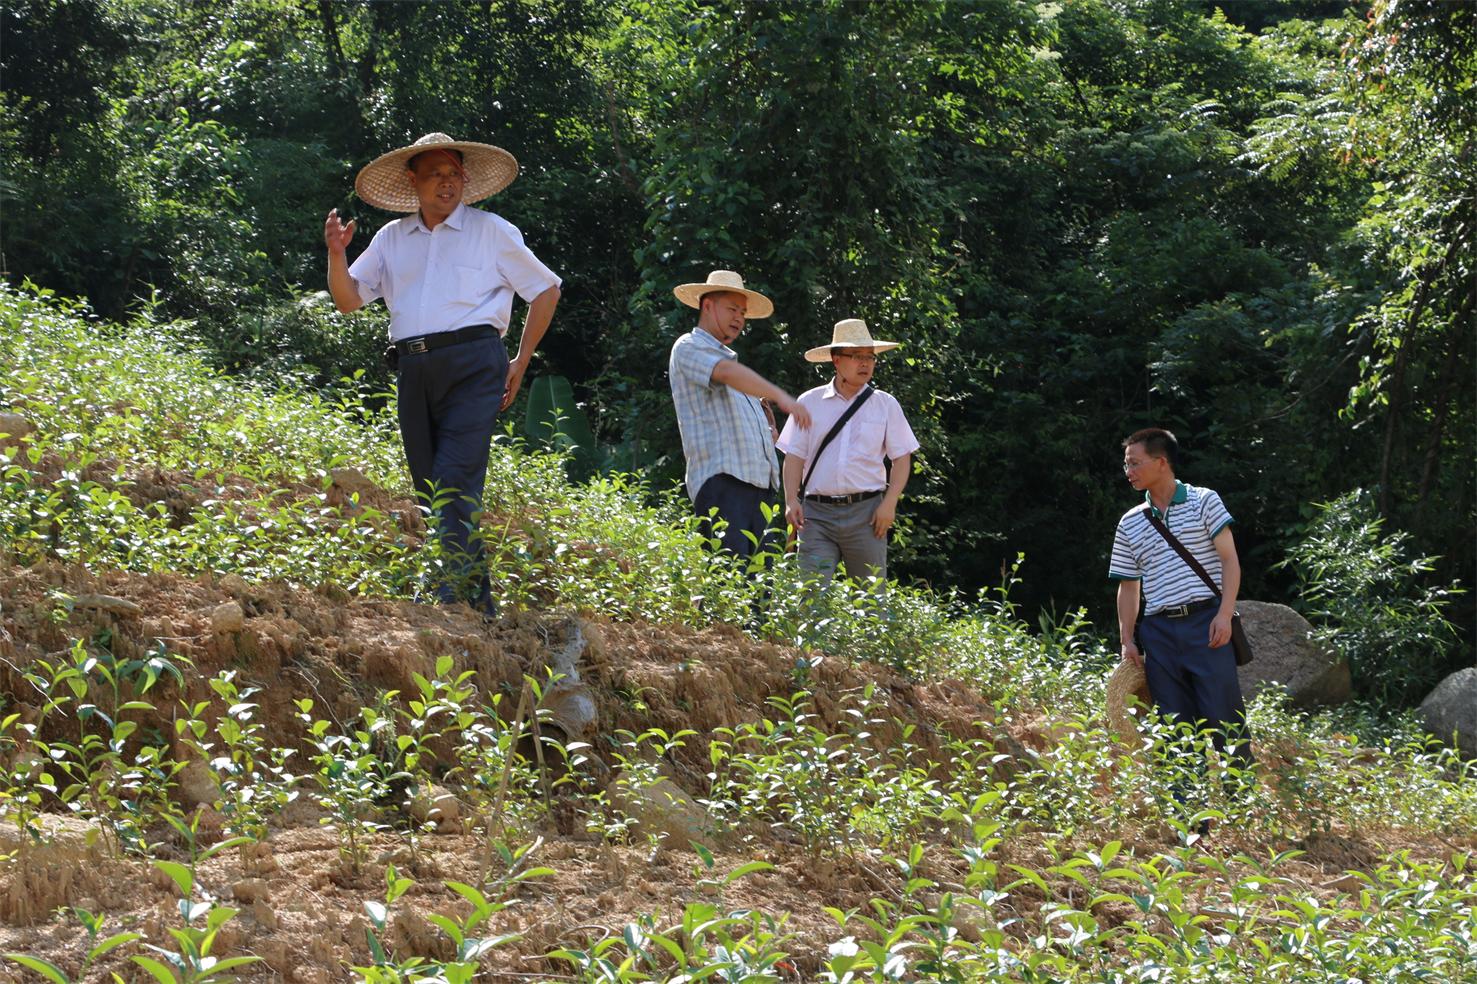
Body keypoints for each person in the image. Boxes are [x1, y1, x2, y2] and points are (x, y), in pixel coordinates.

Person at [323, 132, 561, 616]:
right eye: (435, 174)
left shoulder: (492, 230)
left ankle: (448, 599)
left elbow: (546, 290)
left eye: (453, 174)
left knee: (455, 476)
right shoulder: (392, 238)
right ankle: (478, 605)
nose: (446, 183)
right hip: (412, 365)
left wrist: (520, 359)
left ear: (465, 179)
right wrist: (335, 253)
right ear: (414, 181)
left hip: (475, 362)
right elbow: (348, 300)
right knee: (432, 485)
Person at [1110, 428, 1253, 824]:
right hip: (1158, 632)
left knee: (1224, 716)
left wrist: (1224, 614)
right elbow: (1128, 584)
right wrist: (1127, 639)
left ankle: (1243, 810)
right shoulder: (1130, 522)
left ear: (1161, 462)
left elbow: (1229, 560)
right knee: (1173, 725)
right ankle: (1189, 819)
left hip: (1206, 623)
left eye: (1135, 462)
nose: (1128, 470)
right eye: (1126, 464)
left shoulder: (1205, 501)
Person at [668, 270, 812, 560]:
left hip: (758, 491)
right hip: (723, 485)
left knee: (757, 594)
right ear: (707, 306)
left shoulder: (737, 372)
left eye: (743, 312)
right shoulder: (689, 346)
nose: (739, 318)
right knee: (729, 582)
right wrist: (782, 396)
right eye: (732, 309)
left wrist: (769, 435)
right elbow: (725, 373)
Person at [777, 319, 919, 587]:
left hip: (867, 514)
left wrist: (889, 504)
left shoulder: (885, 404)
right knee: (811, 596)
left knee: (870, 602)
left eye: (870, 357)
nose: (865, 363)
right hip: (816, 514)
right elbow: (794, 455)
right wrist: (790, 500)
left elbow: (902, 457)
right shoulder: (809, 402)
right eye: (856, 356)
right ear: (836, 360)